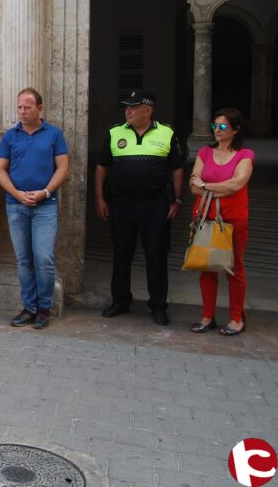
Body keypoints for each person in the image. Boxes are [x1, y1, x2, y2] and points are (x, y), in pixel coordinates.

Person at [95, 89, 184, 326]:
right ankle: (121, 301)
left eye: (133, 107)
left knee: (156, 256)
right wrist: (100, 199)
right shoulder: (115, 133)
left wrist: (176, 199)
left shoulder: (167, 133)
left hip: (155, 204)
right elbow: (102, 168)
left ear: (148, 110)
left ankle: (158, 306)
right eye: (127, 107)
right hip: (122, 203)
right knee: (121, 255)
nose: (128, 111)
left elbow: (176, 168)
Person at [0, 87, 69, 329]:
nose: (22, 111)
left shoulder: (54, 134)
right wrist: (16, 193)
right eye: (19, 107)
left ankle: (44, 308)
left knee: (44, 258)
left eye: (27, 107)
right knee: (23, 259)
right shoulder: (10, 136)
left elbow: (62, 168)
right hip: (16, 205)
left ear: (40, 108)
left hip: (45, 205)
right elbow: (0, 170)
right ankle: (29, 307)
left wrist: (45, 192)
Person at [188, 108, 254, 337]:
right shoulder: (205, 152)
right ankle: (208, 315)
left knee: (234, 267)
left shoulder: (245, 155)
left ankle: (237, 318)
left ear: (236, 130)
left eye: (223, 126)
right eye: (215, 125)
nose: (217, 130)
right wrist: (212, 188)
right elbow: (193, 186)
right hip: (205, 216)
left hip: (233, 219)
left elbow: (237, 185)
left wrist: (206, 186)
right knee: (206, 266)